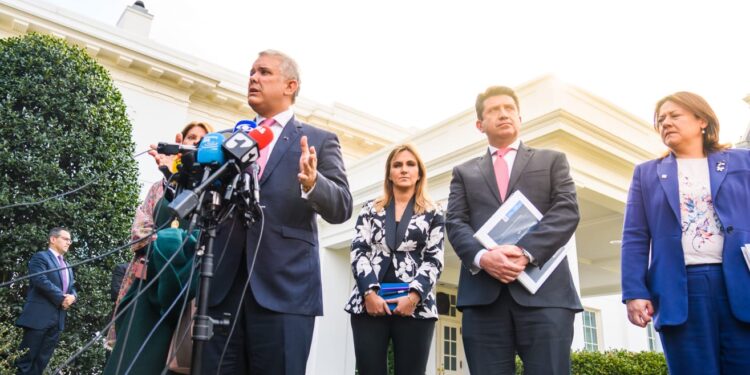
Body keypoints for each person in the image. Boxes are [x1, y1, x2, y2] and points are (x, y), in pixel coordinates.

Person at [200, 50, 352, 374]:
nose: (253, 77)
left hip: (285, 290)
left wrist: (313, 182)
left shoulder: (319, 141)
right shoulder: (229, 139)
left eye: (264, 72)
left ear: (290, 85)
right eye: (252, 71)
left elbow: (342, 206)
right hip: (223, 288)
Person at [446, 86, 582, 374]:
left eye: (509, 108)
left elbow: (566, 211)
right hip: (484, 298)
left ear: (520, 117)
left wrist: (525, 252)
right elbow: (455, 222)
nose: (503, 114)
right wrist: (483, 258)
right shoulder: (463, 172)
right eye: (493, 110)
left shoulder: (552, 160)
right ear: (480, 125)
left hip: (546, 295)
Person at [621, 91, 750, 374]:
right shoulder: (646, 173)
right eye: (661, 119)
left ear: (701, 120)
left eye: (675, 115)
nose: (666, 122)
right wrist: (634, 292)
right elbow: (635, 236)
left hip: (740, 283)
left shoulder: (744, 162)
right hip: (680, 289)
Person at [106, 121, 214, 351]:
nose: (195, 141)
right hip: (146, 277)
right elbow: (140, 227)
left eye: (202, 140)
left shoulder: (212, 191)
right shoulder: (158, 186)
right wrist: (161, 243)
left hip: (184, 285)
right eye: (191, 137)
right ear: (181, 143)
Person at [344, 144, 445, 375]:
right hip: (368, 305)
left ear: (419, 172)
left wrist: (413, 297)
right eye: (397, 165)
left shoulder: (434, 212)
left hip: (415, 307)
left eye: (410, 164)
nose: (404, 169)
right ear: (389, 172)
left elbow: (434, 259)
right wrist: (369, 294)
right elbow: (358, 250)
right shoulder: (369, 209)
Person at [15, 227, 77, 375]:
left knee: (41, 363)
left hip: (57, 321)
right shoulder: (40, 257)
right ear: (53, 239)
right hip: (38, 317)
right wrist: (62, 297)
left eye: (70, 240)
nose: (69, 242)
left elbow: (72, 287)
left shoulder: (67, 266)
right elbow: (40, 280)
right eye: (65, 239)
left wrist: (73, 297)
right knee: (26, 361)